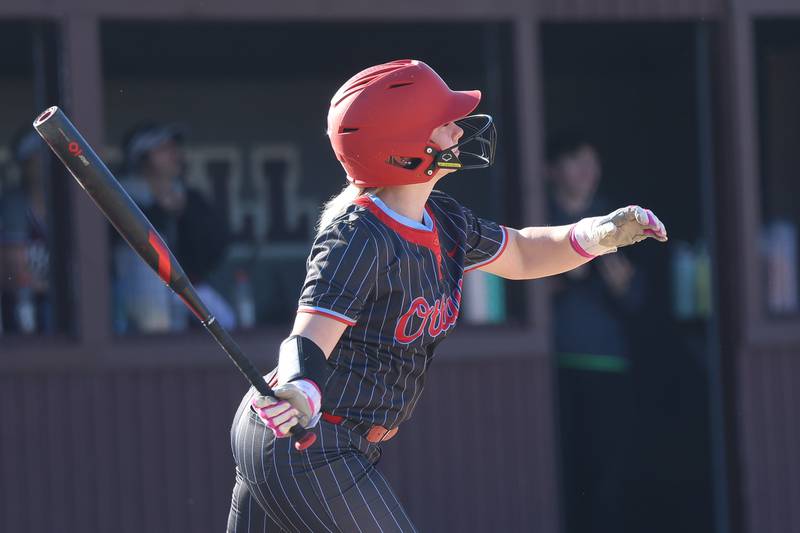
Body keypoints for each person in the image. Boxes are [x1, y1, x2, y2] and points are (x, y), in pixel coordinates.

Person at [227, 59, 668, 532]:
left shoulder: (443, 217)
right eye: (442, 124)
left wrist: (597, 235)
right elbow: (307, 338)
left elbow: (520, 252)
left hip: (328, 439)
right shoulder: (358, 234)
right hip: (305, 436)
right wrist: (299, 388)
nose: (458, 132)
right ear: (402, 149)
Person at [546, 134, 646, 533]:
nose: (588, 171)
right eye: (575, 160)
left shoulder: (618, 222)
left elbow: (639, 300)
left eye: (593, 161)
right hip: (551, 365)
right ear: (549, 169)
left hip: (607, 363)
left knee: (605, 474)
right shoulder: (538, 219)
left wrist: (623, 287)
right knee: (559, 470)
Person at [113, 123, 235, 333]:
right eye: (163, 149)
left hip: (185, 290)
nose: (174, 155)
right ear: (142, 157)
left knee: (226, 320)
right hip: (136, 294)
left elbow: (215, 246)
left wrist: (183, 213)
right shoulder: (122, 198)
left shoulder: (189, 198)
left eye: (173, 148)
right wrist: (160, 210)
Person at [0, 129, 51, 334]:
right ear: (25, 162)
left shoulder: (70, 206)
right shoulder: (13, 206)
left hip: (61, 307)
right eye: (40, 154)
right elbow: (17, 273)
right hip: (22, 308)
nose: (49, 160)